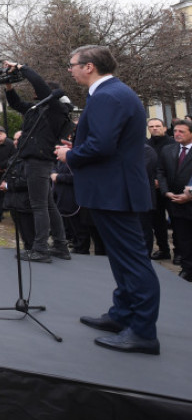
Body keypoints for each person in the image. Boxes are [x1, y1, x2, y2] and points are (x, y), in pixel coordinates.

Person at [55, 45, 160, 354]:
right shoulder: (112, 93)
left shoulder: (107, 96)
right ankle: (122, 315)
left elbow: (102, 146)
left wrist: (70, 154)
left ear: (89, 66)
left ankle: (142, 331)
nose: (70, 70)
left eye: (72, 64)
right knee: (121, 259)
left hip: (116, 192)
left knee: (133, 261)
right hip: (113, 189)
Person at [4, 61, 73, 262]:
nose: (34, 94)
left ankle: (41, 248)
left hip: (39, 160)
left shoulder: (56, 109)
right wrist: (9, 86)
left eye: (39, 92)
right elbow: (16, 104)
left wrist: (21, 67)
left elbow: (40, 86)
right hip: (35, 160)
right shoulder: (37, 109)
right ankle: (60, 245)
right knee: (48, 205)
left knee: (39, 206)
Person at [158, 119, 192, 281]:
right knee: (182, 237)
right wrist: (166, 192)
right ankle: (187, 268)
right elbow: (161, 172)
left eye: (182, 132)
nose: (177, 134)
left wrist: (189, 194)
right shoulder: (168, 149)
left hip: (190, 199)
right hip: (175, 201)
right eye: (176, 131)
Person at [146, 117, 177, 261]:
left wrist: (162, 181)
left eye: (157, 126)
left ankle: (179, 252)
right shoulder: (146, 144)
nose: (154, 128)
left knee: (176, 222)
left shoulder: (173, 144)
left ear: (164, 128)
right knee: (157, 222)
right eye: (151, 126)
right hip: (153, 189)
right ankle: (163, 249)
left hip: (171, 188)